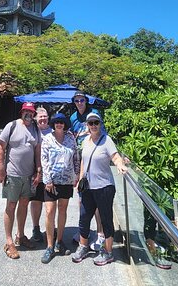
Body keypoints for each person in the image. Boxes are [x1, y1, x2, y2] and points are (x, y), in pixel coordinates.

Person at [72, 112, 127, 266]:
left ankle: (108, 252)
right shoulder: (86, 141)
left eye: (96, 122)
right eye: (91, 123)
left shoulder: (106, 140)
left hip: (104, 187)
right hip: (88, 187)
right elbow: (84, 161)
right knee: (84, 217)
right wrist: (81, 180)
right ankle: (83, 246)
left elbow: (115, 156)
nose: (94, 126)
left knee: (106, 219)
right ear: (87, 126)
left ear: (101, 124)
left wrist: (120, 165)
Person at [0, 102, 42, 259]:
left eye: (31, 112)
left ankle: (20, 235)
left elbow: (37, 151)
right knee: (11, 204)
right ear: (22, 112)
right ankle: (9, 242)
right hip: (13, 174)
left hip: (28, 174)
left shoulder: (35, 129)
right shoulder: (12, 126)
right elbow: (1, 147)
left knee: (24, 203)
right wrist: (1, 169)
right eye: (26, 111)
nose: (29, 114)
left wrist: (38, 170)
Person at [40, 112, 79, 264]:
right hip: (51, 181)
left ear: (65, 124)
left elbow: (76, 157)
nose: (59, 124)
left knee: (63, 209)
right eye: (57, 122)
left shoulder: (70, 139)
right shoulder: (48, 139)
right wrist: (48, 179)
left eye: (61, 122)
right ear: (53, 124)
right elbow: (44, 159)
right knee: (50, 211)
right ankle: (49, 246)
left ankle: (59, 241)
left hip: (67, 181)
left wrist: (76, 175)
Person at [70, 91, 106, 250]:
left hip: (95, 159)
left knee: (97, 199)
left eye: (82, 100)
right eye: (77, 100)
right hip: (80, 160)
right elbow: (72, 136)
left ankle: (100, 234)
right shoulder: (72, 117)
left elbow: (102, 132)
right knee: (82, 197)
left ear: (86, 101)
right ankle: (84, 232)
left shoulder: (94, 114)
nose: (79, 102)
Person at [28, 107, 51, 243]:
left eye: (45, 116)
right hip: (35, 171)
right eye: (40, 116)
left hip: (50, 173)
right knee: (36, 200)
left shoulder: (54, 131)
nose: (42, 119)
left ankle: (51, 227)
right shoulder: (32, 130)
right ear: (36, 118)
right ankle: (36, 227)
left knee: (51, 201)